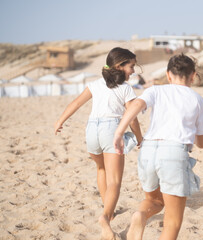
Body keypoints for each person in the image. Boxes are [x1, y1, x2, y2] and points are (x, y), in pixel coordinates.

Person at [113, 53, 203, 240]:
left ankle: (140, 215)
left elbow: (135, 105)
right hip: (173, 152)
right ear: (193, 76)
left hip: (148, 150)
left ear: (168, 75)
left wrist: (119, 132)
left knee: (154, 200)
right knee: (172, 221)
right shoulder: (197, 99)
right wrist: (197, 138)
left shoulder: (156, 91)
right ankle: (140, 217)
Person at [54, 47, 143, 240]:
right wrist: (140, 138)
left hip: (92, 130)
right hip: (111, 129)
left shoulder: (95, 84)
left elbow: (76, 103)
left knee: (101, 169)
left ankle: (109, 211)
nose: (134, 71)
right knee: (115, 181)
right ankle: (105, 217)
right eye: (132, 66)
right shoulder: (126, 89)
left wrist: (60, 120)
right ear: (119, 66)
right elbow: (133, 118)